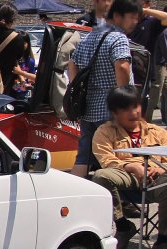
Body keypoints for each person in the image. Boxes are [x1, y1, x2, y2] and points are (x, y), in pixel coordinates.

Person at [91, 85, 167, 249]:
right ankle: (123, 226)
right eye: (126, 108)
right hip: (125, 176)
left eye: (136, 106)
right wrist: (131, 167)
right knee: (100, 176)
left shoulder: (158, 132)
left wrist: (158, 167)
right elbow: (106, 161)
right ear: (115, 112)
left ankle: (163, 240)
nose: (133, 112)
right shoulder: (104, 132)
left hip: (156, 178)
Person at [69, 0, 139, 178]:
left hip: (88, 109)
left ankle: (79, 194)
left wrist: (77, 90)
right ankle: (117, 199)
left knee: (83, 156)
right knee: (116, 155)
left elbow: (72, 64)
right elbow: (122, 66)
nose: (134, 22)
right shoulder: (118, 37)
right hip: (111, 109)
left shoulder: (90, 37)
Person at [13, 34, 37, 100]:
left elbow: (33, 77)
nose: (20, 45)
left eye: (23, 43)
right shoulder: (12, 58)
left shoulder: (30, 61)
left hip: (24, 92)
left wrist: (28, 80)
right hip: (11, 91)